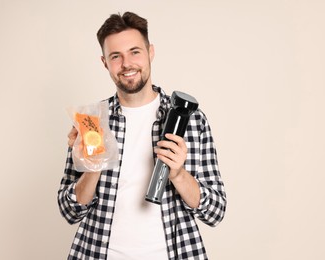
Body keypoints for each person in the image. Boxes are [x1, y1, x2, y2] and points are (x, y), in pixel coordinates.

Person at [57, 12, 226, 260]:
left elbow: (215, 212)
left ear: (150, 52)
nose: (126, 64)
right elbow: (70, 211)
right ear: (105, 62)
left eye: (135, 52)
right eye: (116, 56)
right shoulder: (92, 122)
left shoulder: (191, 120)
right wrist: (93, 164)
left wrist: (179, 174)